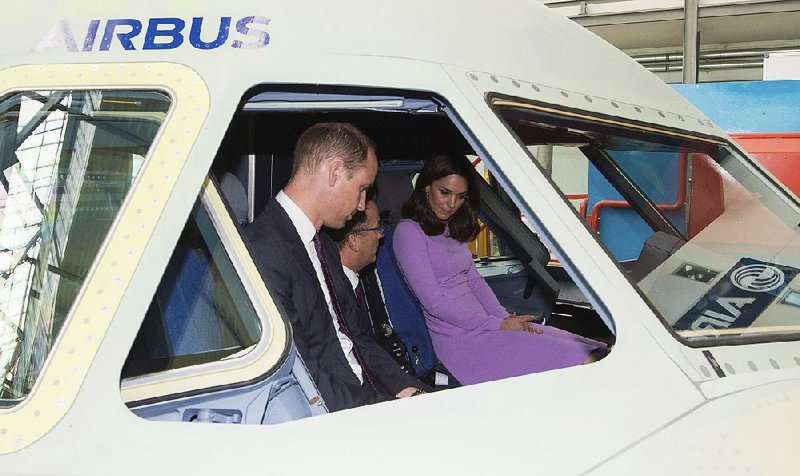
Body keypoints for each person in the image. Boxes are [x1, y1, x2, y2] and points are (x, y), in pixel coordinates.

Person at [245, 122, 425, 412]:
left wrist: (408, 388)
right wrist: (388, 408)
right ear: (335, 173)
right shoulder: (263, 252)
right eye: (362, 189)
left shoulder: (324, 245)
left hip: (372, 394)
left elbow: (360, 339)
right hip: (340, 411)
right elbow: (305, 373)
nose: (361, 204)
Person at [392, 154, 606, 386]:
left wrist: (504, 318)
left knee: (586, 345)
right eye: (444, 192)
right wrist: (498, 325)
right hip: (460, 339)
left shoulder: (452, 225)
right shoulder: (409, 232)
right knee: (581, 358)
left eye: (460, 196)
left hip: (485, 324)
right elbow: (435, 304)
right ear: (426, 188)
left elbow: (474, 280)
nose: (451, 204)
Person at [326, 195, 414, 376]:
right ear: (353, 241)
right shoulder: (335, 297)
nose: (382, 235)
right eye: (377, 228)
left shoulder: (356, 282)